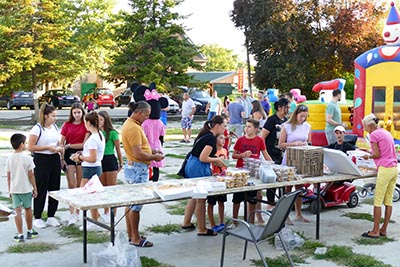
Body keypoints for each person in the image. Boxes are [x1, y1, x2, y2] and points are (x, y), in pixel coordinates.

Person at [121, 101, 164, 247]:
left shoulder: (132, 124)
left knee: (131, 203)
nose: (147, 117)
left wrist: (152, 152)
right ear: (139, 112)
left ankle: (132, 234)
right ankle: (135, 238)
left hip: (135, 167)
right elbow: (138, 153)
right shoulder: (133, 127)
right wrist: (154, 158)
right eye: (146, 114)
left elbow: (140, 149)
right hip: (138, 169)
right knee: (136, 205)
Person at [182, 115, 227, 236]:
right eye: (224, 126)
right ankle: (202, 229)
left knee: (194, 195)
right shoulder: (211, 138)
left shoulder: (205, 134)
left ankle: (186, 222)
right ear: (217, 126)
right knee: (201, 198)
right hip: (198, 166)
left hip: (192, 163)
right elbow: (203, 157)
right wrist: (216, 160)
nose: (225, 129)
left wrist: (214, 158)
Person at [360, 114, 397, 238]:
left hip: (384, 169)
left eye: (365, 126)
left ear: (370, 126)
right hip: (393, 168)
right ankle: (383, 229)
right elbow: (383, 151)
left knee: (377, 200)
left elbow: (376, 154)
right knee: (388, 200)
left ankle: (375, 230)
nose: (364, 128)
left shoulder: (373, 135)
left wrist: (368, 156)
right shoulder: (385, 132)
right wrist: (371, 153)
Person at [28, 103, 63, 229]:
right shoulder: (37, 129)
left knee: (54, 188)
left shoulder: (54, 127)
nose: (55, 118)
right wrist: (47, 148)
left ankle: (51, 215)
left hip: (54, 159)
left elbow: (57, 141)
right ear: (46, 116)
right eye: (53, 116)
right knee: (41, 188)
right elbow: (31, 147)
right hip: (41, 160)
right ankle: (37, 216)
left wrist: (59, 148)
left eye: (56, 116)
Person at [232, 119, 272, 225]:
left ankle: (251, 221)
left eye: (249, 126)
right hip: (241, 171)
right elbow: (233, 155)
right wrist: (242, 155)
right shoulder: (240, 140)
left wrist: (272, 165)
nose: (246, 128)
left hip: (253, 172)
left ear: (255, 129)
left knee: (252, 198)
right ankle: (234, 221)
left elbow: (265, 153)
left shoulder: (259, 140)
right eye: (246, 126)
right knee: (237, 198)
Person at [71, 111, 105, 231]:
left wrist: (79, 158)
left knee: (86, 195)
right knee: (91, 194)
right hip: (95, 167)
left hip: (90, 168)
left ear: (88, 123)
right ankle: (96, 217)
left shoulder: (92, 139)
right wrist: (82, 154)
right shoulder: (99, 135)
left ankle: (94, 220)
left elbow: (92, 158)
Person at [279, 104, 312, 224]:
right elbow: (281, 144)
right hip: (289, 158)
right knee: (288, 188)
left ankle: (298, 214)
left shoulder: (307, 126)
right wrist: (295, 144)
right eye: (301, 116)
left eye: (305, 116)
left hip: (302, 159)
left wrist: (305, 145)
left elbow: (309, 142)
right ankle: (285, 215)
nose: (303, 119)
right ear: (296, 115)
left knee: (299, 187)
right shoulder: (287, 126)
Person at [60, 103, 89, 225]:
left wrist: (69, 145)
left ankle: (79, 212)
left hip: (81, 153)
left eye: (79, 112)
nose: (77, 115)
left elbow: (84, 144)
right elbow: (61, 142)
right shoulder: (67, 125)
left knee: (80, 184)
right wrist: (62, 158)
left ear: (82, 112)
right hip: (68, 154)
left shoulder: (86, 125)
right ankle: (72, 213)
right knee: (71, 184)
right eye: (74, 112)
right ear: (71, 113)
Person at [6, 134, 38, 243]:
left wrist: (10, 190)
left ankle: (20, 234)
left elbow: (9, 177)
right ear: (21, 144)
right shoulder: (28, 158)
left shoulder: (9, 159)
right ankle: (29, 231)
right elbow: (31, 175)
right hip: (26, 188)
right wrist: (35, 188)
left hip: (14, 189)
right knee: (28, 209)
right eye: (25, 143)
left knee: (17, 211)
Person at [261, 98, 290, 206]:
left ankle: (281, 202)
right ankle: (270, 203)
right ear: (279, 107)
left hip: (281, 154)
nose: (287, 110)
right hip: (270, 153)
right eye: (286, 107)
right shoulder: (271, 120)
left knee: (281, 179)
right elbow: (262, 137)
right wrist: (265, 154)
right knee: (272, 180)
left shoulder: (285, 121)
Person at [98, 110, 123, 221]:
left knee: (111, 189)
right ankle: (105, 212)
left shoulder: (112, 133)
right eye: (97, 120)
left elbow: (118, 149)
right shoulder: (96, 132)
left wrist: (121, 163)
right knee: (102, 189)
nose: (99, 122)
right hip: (100, 160)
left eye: (101, 120)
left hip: (110, 159)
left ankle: (114, 214)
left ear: (106, 120)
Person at [207, 133, 228, 233]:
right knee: (211, 203)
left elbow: (226, 165)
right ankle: (212, 224)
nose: (223, 140)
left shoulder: (225, 151)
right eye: (221, 138)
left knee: (221, 202)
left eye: (224, 138)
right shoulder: (212, 151)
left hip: (222, 180)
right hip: (213, 180)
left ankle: (221, 222)